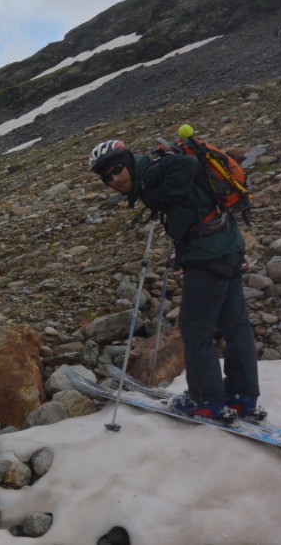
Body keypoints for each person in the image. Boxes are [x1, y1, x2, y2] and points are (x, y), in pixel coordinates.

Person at [88, 138, 264, 423]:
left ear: (129, 161)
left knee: (195, 329)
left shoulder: (153, 171)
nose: (115, 179)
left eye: (117, 169)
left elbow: (188, 164)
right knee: (236, 325)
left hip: (207, 254)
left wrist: (170, 196)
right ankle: (243, 398)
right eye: (107, 177)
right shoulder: (150, 172)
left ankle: (205, 401)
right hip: (228, 246)